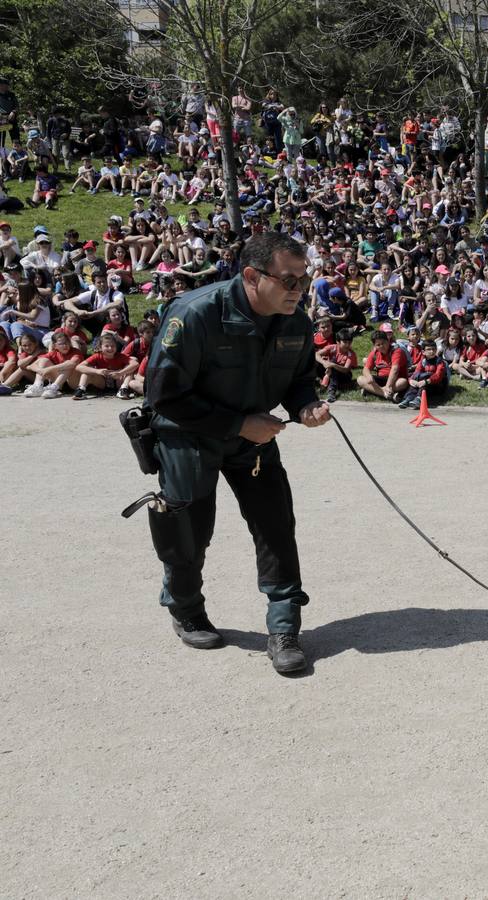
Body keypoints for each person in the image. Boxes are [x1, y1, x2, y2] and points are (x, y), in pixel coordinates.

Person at [142, 232, 331, 674]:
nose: (299, 291)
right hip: (187, 435)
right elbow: (164, 395)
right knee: (188, 529)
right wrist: (239, 423)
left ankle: (284, 627)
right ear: (252, 275)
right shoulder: (195, 314)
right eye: (289, 281)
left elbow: (300, 378)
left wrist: (306, 406)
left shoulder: (296, 322)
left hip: (254, 441)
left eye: (304, 281)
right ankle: (186, 609)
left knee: (276, 526)